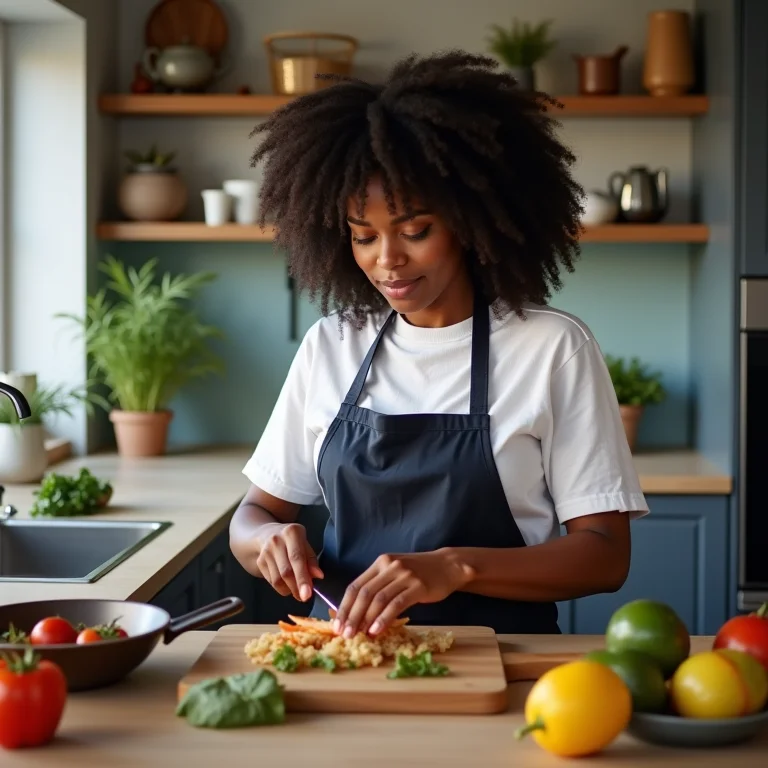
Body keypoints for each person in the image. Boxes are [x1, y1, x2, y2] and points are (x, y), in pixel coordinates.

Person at [230, 50, 648, 638]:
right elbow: (254, 515)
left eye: (416, 230)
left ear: (473, 220)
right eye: (363, 236)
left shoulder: (551, 347)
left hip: (503, 663)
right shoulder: (331, 345)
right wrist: (267, 542)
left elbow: (606, 555)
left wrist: (455, 567)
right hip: (346, 659)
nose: (387, 260)